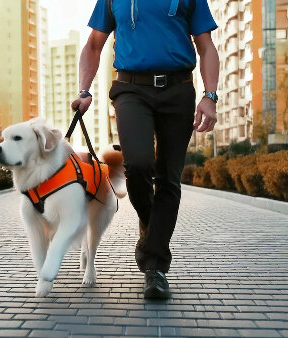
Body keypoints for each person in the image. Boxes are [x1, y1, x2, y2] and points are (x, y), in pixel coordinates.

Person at [71, 0, 219, 299]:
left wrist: (210, 96)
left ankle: (154, 267)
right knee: (137, 164)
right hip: (131, 89)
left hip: (178, 90)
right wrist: (84, 91)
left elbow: (206, 46)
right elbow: (93, 46)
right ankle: (155, 235)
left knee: (169, 178)